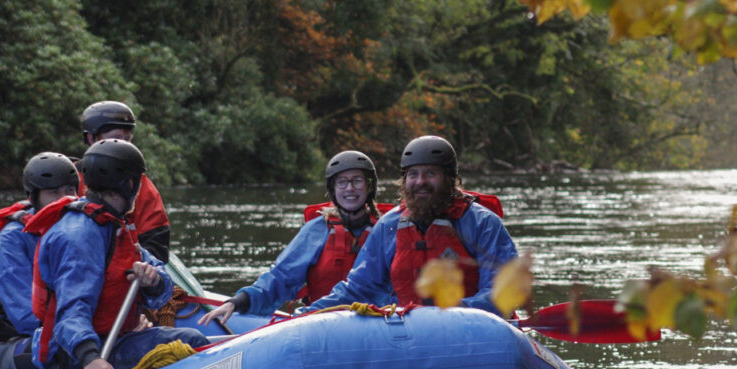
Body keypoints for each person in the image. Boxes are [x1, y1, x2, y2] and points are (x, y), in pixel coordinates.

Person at [25, 139, 208, 369]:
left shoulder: (113, 224)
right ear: (129, 184)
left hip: (113, 340)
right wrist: (89, 357)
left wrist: (154, 280)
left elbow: (161, 284)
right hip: (73, 361)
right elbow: (71, 310)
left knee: (189, 339)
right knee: (192, 342)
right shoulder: (80, 234)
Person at [298, 135, 517, 316]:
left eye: (431, 173)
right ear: (404, 182)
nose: (421, 181)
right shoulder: (389, 226)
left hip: (468, 329)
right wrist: (307, 314)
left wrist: (454, 313)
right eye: (413, 174)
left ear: (450, 179)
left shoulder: (483, 223)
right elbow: (358, 289)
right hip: (408, 331)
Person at [199, 150, 394, 327]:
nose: (349, 188)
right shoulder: (317, 230)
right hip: (322, 324)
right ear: (333, 189)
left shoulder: (387, 229)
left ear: (370, 187)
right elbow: (280, 278)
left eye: (357, 181)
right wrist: (238, 301)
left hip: (376, 324)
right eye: (342, 182)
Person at [0, 152, 80, 369]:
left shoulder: (84, 228)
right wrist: (80, 333)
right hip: (18, 341)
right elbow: (26, 318)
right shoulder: (11, 242)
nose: (65, 199)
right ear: (33, 197)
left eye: (70, 191)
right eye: (54, 193)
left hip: (73, 327)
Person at [79, 100, 171, 263]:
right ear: (91, 138)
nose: (122, 145)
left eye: (127, 139)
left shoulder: (142, 186)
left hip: (127, 268)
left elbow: (157, 247)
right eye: (116, 138)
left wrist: (142, 266)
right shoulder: (68, 179)